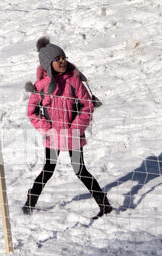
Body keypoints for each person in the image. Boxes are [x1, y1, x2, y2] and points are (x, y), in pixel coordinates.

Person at [23, 36, 112, 219]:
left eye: (64, 58)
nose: (63, 62)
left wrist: (76, 129)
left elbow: (87, 105)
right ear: (49, 63)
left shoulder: (74, 82)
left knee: (80, 170)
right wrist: (47, 129)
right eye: (58, 59)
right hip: (53, 136)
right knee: (48, 169)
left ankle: (104, 205)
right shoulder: (41, 86)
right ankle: (29, 204)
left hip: (73, 135)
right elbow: (32, 112)